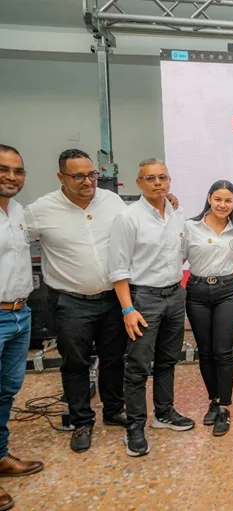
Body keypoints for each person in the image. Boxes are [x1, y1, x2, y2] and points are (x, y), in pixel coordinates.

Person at [24, 149, 129, 454]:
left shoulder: (111, 201)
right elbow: (12, 235)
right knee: (75, 363)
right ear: (61, 177)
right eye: (78, 176)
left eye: (92, 174)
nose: (88, 181)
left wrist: (167, 202)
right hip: (70, 302)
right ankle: (82, 420)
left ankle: (113, 409)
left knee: (113, 358)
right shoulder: (40, 210)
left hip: (112, 298)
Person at [109, 158, 195, 457]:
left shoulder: (176, 215)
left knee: (168, 360)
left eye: (163, 177)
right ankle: (135, 425)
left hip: (174, 295)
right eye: (150, 178)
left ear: (169, 180)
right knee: (137, 366)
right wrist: (127, 309)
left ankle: (164, 413)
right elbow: (118, 269)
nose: (158, 183)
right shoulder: (128, 218)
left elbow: (182, 253)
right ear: (139, 183)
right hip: (143, 299)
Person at [0, 144, 44, 510]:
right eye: (4, 169)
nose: (11, 176)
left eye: (18, 170)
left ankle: (0, 455)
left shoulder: (17, 212)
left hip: (19, 312)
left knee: (7, 390)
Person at [184, 180, 233, 437]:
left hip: (227, 291)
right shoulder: (190, 227)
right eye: (218, 199)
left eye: (228, 201)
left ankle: (225, 408)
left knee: (223, 351)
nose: (223, 204)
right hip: (196, 292)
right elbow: (176, 258)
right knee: (205, 352)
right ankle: (213, 400)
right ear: (209, 198)